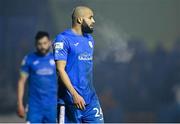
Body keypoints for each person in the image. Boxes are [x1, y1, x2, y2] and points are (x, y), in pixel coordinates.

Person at [53, 6, 104, 123]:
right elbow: (60, 70)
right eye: (90, 17)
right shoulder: (62, 39)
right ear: (80, 20)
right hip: (69, 102)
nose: (93, 21)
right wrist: (74, 94)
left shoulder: (90, 39)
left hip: (90, 101)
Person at [17, 31, 57, 123]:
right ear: (35, 44)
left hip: (52, 106)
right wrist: (19, 104)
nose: (42, 46)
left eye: (44, 43)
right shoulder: (29, 59)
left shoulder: (56, 59)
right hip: (34, 106)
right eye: (39, 44)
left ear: (50, 43)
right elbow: (21, 82)